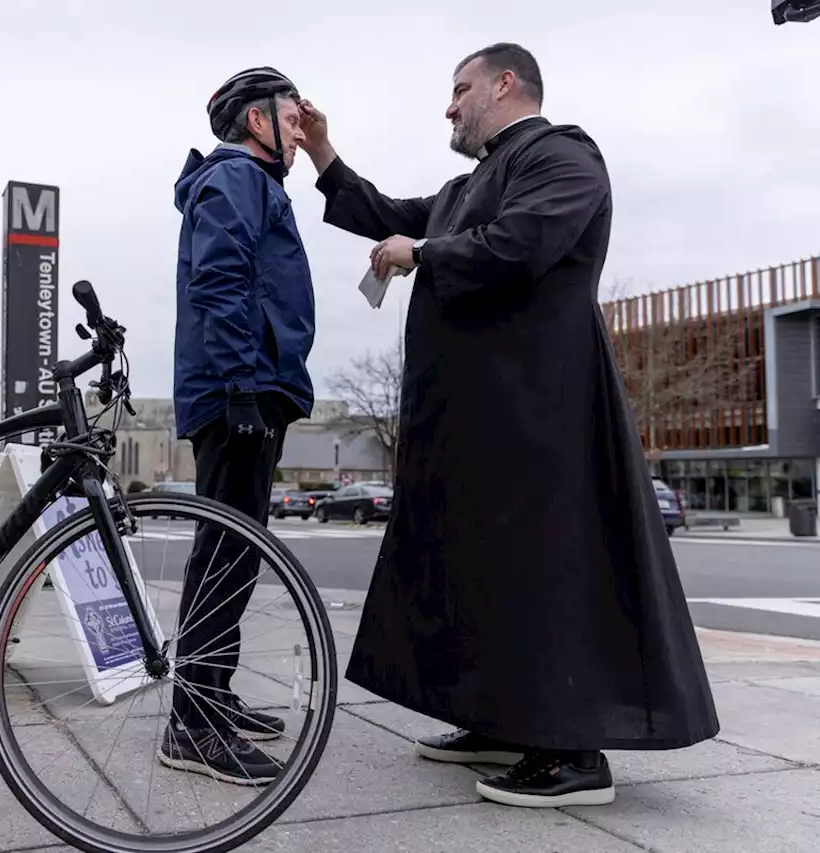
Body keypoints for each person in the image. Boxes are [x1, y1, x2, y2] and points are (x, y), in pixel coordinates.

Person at [297, 42, 720, 808]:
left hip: (544, 417)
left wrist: (421, 251)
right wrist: (322, 151)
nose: (450, 107)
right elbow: (388, 214)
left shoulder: (562, 157)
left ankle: (572, 753)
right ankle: (499, 717)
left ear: (505, 83)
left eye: (460, 89)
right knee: (482, 570)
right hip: (483, 422)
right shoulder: (469, 184)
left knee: (548, 571)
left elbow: (520, 243)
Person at [160, 66, 314, 786]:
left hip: (246, 388)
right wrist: (245, 385)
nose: (301, 124)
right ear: (258, 122)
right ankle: (192, 723)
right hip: (236, 394)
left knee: (235, 552)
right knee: (226, 551)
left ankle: (210, 691)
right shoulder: (238, 181)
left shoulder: (256, 184)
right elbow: (219, 281)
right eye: (291, 113)